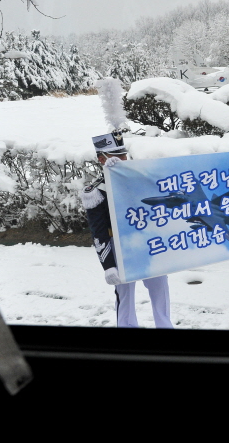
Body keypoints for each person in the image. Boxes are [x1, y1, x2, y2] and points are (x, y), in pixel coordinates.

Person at [83, 131, 173, 329]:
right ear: (101, 159)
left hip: (149, 243)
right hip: (120, 247)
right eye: (116, 155)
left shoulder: (139, 179)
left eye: (124, 154)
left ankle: (165, 328)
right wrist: (108, 266)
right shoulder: (96, 192)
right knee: (125, 298)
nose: (123, 159)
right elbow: (98, 232)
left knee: (160, 290)